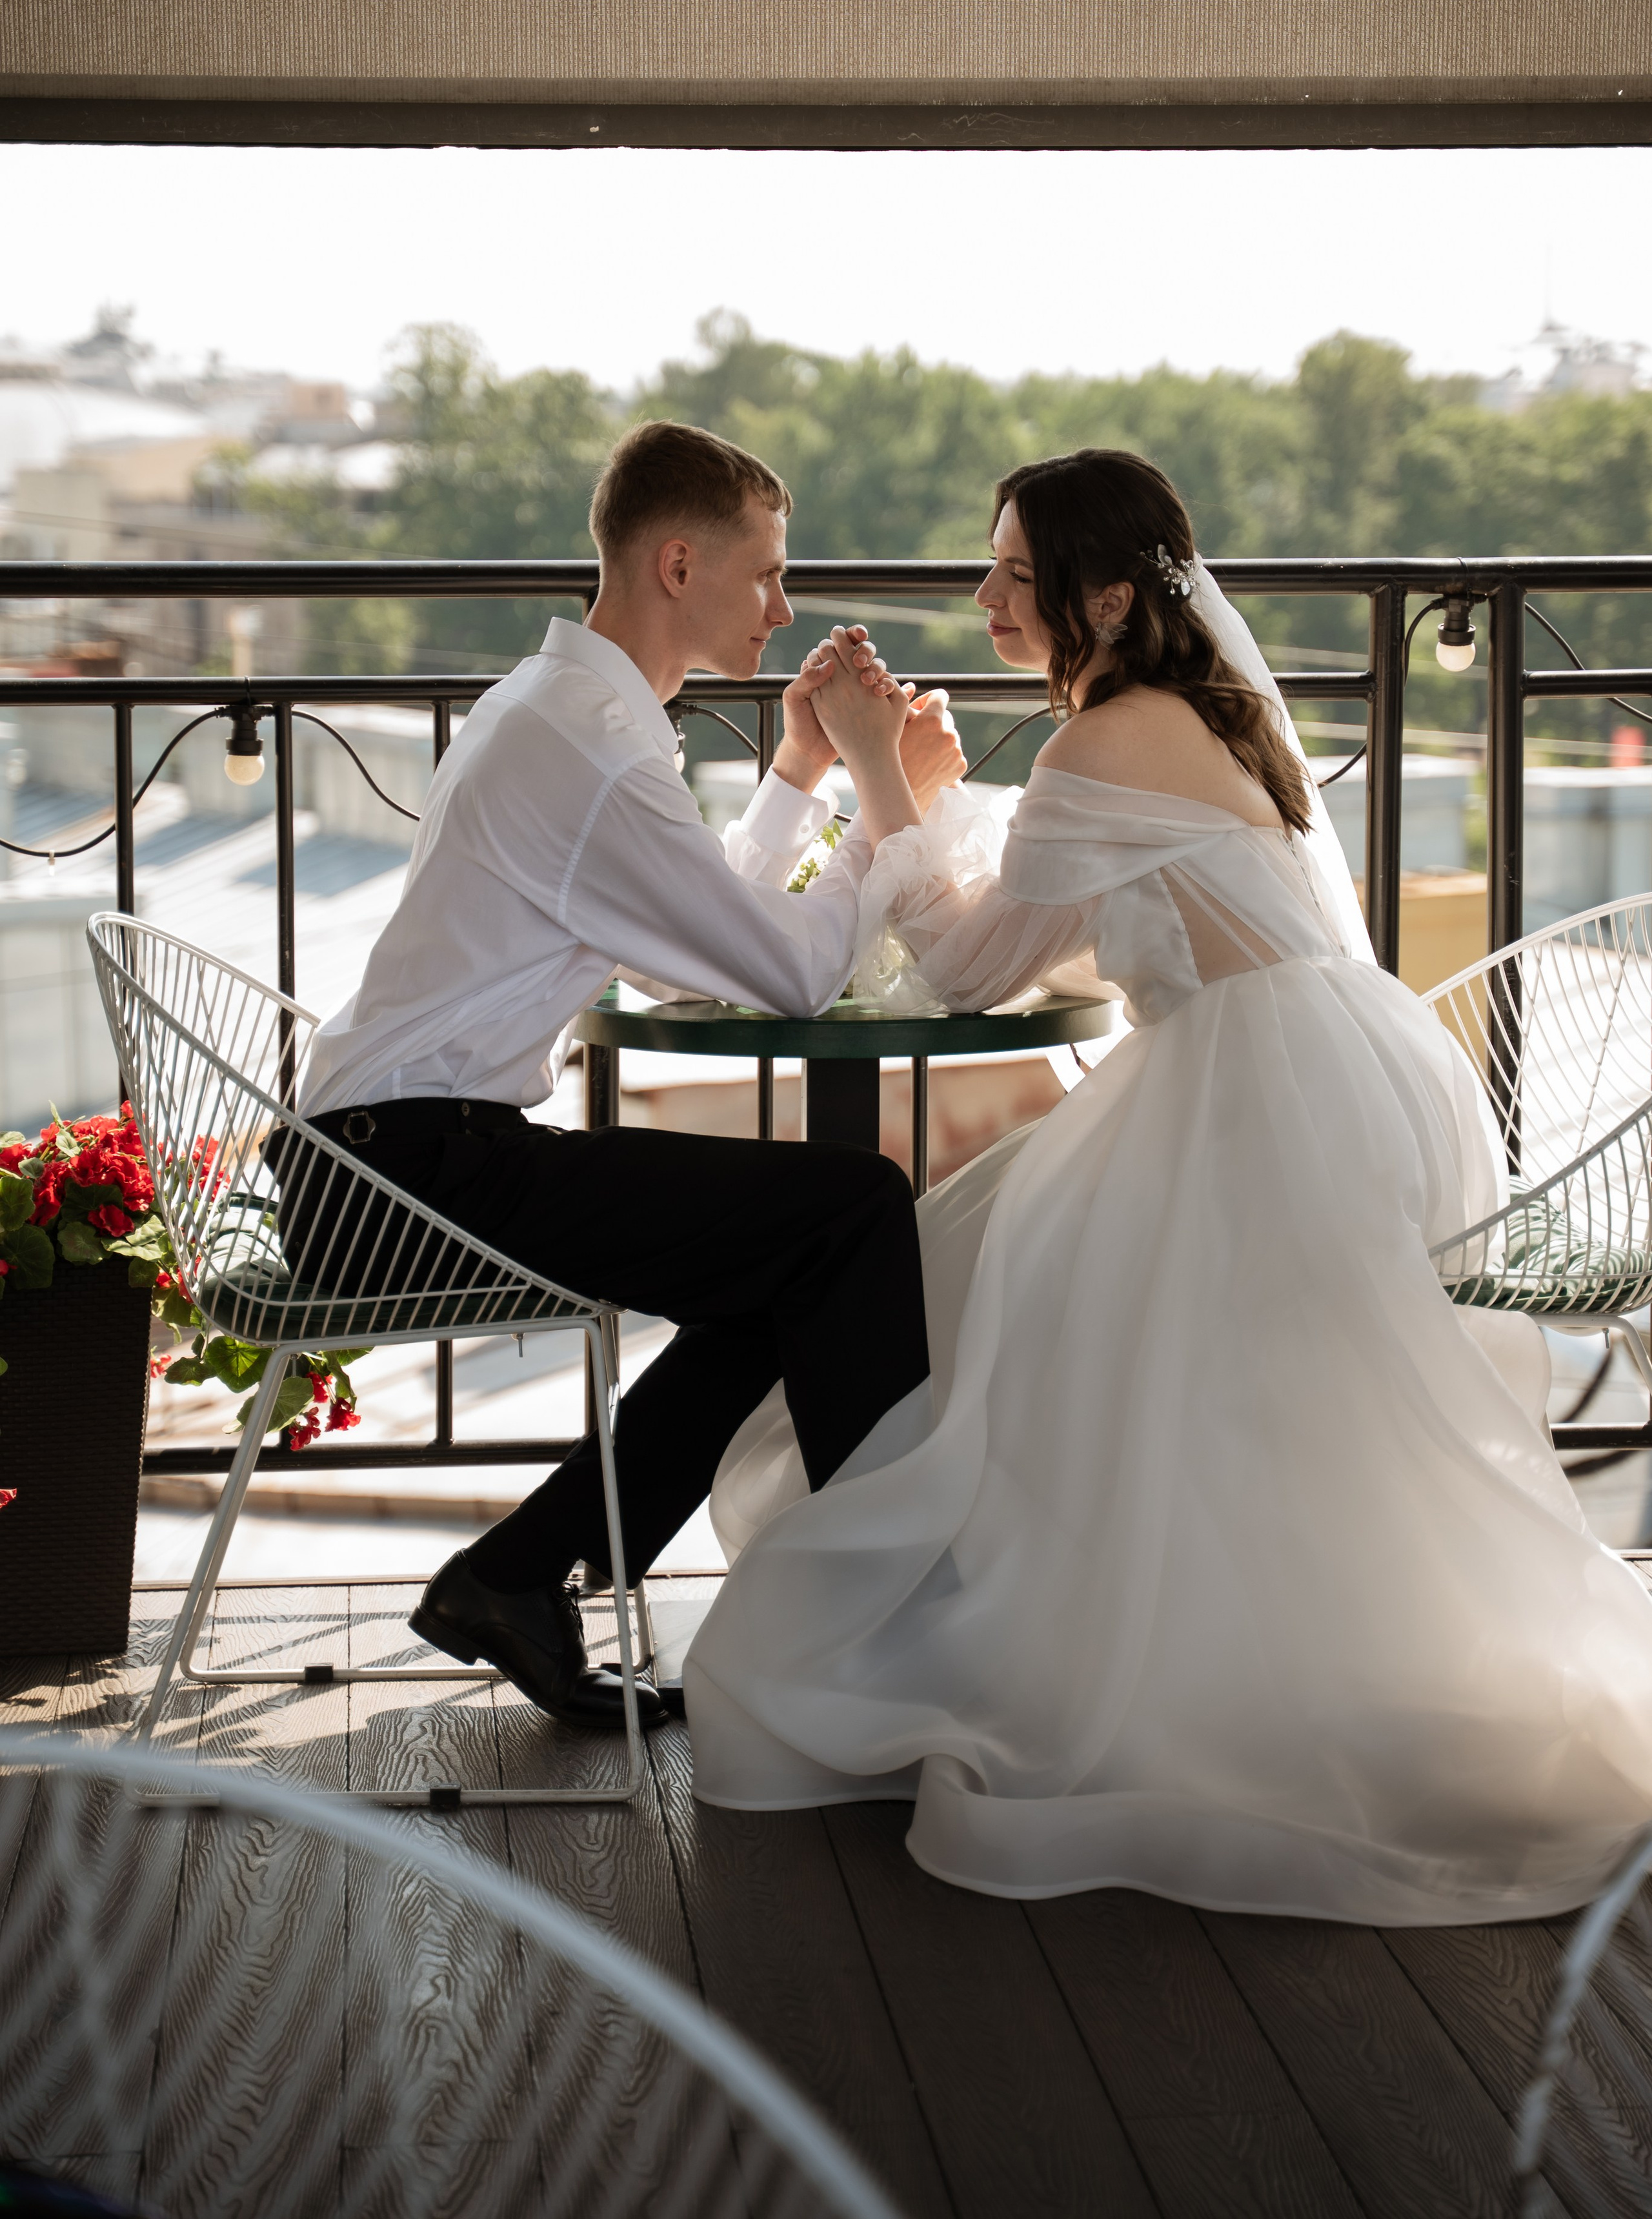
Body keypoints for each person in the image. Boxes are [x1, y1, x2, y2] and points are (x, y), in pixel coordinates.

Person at [684, 445, 1652, 1925]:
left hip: (1258, 1097)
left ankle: (997, 1629)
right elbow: (1088, 926)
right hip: (1340, 1068)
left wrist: (882, 775)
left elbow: (980, 964)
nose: (985, 595)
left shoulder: (1101, 741)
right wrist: (931, 809)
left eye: (1015, 575)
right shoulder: (1187, 713)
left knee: (970, 1274)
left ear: (1110, 596)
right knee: (988, 1261)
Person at [287, 420, 963, 1730]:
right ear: (675, 565)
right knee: (852, 1212)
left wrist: (801, 774)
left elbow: (687, 957)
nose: (782, 606)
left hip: (380, 1150)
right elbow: (786, 976)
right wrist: (893, 813)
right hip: (403, 1171)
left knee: (794, 1256)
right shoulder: (591, 744)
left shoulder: (571, 712)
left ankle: (523, 1574)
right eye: (764, 573)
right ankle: (888, 1619)